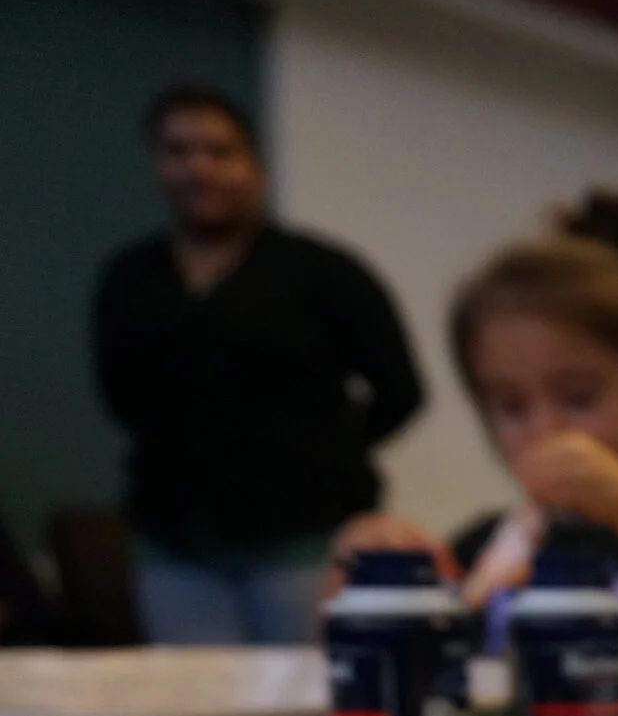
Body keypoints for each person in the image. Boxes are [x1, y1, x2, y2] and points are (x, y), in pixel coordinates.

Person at [93, 84, 424, 645]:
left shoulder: (324, 272)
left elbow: (400, 390)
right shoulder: (129, 279)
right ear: (157, 165)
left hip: (306, 544)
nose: (198, 166)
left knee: (307, 710)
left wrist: (324, 452)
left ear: (254, 167)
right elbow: (121, 396)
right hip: (176, 547)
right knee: (193, 713)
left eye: (219, 151)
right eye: (178, 150)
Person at [330, 190, 618, 623]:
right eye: (512, 407)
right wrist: (359, 572)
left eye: (579, 398)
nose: (546, 428)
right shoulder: (477, 548)